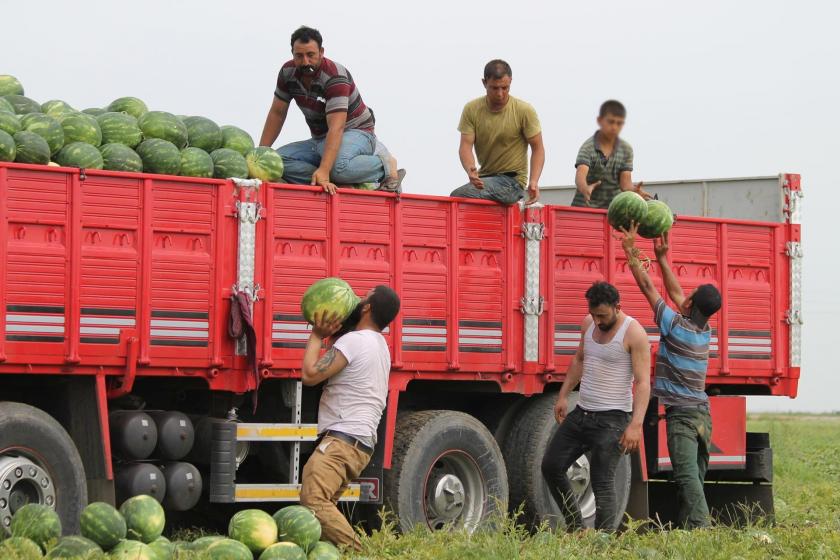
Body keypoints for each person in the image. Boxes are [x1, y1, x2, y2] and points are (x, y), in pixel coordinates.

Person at [620, 224, 722, 529]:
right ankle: (689, 531)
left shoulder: (675, 327)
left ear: (690, 305)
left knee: (687, 477)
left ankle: (702, 529)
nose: (683, 298)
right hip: (703, 416)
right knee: (694, 480)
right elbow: (679, 296)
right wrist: (662, 259)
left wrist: (630, 251)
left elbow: (648, 289)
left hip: (684, 418)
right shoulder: (703, 330)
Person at [541, 281, 651, 531]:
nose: (598, 321)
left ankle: (603, 544)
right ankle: (576, 527)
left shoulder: (634, 333)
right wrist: (563, 395)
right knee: (551, 465)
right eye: (593, 314)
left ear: (617, 307)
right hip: (582, 413)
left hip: (613, 419)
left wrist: (636, 424)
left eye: (602, 315)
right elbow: (580, 359)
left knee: (602, 482)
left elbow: (644, 383)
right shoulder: (588, 324)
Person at [299, 285, 401, 550]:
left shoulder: (355, 341)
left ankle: (361, 554)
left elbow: (310, 375)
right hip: (359, 443)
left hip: (343, 441)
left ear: (367, 307)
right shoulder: (380, 346)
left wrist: (316, 335)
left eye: (364, 296)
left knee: (314, 501)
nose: (358, 298)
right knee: (324, 508)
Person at [259, 26, 405, 194]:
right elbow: (277, 113)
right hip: (320, 139)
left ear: (321, 52)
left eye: (311, 55)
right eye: (299, 56)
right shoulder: (287, 72)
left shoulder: (335, 77)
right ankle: (334, 180)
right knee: (276, 161)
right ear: (292, 53)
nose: (305, 61)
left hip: (356, 132)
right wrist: (261, 153)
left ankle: (384, 164)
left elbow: (337, 127)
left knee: (337, 169)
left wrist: (326, 169)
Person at [450, 59, 544, 205]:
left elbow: (538, 148)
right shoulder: (471, 109)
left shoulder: (524, 111)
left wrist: (533, 181)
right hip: (485, 179)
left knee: (459, 195)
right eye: (494, 88)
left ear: (511, 82)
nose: (500, 94)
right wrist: (470, 170)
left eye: (505, 88)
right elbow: (465, 147)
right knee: (460, 199)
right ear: (484, 83)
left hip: (512, 182)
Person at [571, 100, 651, 208]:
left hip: (612, 210)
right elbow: (580, 175)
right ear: (600, 120)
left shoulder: (626, 149)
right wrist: (584, 188)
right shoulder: (588, 147)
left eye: (619, 123)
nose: (614, 127)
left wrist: (634, 191)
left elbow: (625, 184)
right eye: (611, 122)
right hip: (584, 208)